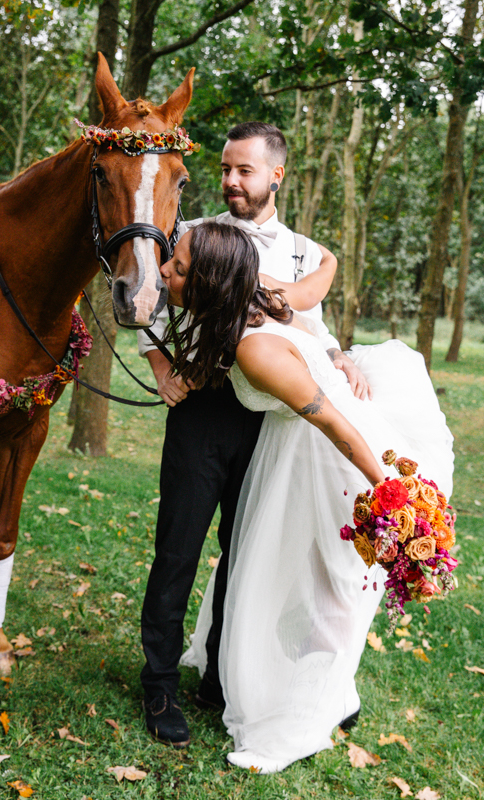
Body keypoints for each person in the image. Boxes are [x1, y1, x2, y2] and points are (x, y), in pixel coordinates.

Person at [159, 221, 454, 773]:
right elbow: (315, 289)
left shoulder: (256, 353)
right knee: (299, 582)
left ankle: (303, 712)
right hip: (299, 451)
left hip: (326, 461)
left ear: (207, 285)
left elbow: (337, 427)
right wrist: (327, 262)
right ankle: (322, 691)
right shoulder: (258, 291)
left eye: (176, 268)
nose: (164, 273)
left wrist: (391, 488)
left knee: (323, 587)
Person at [137, 122, 370, 748]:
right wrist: (162, 368)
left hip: (268, 426)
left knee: (245, 555)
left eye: (245, 170)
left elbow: (308, 324)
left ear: (276, 176)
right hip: (203, 415)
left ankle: (220, 674)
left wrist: (338, 354)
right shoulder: (193, 236)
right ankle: (158, 680)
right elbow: (147, 302)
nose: (232, 181)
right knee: (177, 551)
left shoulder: (300, 251)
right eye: (225, 169)